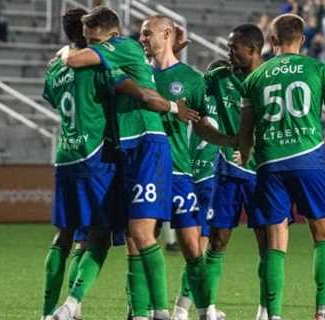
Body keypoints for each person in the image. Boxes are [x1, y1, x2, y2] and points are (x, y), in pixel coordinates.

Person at [58, 7, 199, 320]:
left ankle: (164, 311)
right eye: (86, 39)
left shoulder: (119, 47)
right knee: (117, 236)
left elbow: (75, 60)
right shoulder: (113, 61)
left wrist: (67, 50)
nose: (89, 44)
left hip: (148, 145)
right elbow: (139, 86)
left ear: (109, 35)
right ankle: (133, 311)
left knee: (143, 233)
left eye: (94, 40)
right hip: (122, 150)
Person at [238, 14, 325, 320]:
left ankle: (273, 315)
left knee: (275, 243)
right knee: (323, 236)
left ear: (272, 40)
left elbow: (245, 133)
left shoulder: (254, 78)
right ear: (301, 39)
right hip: (310, 159)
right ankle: (322, 311)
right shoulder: (318, 69)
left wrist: (246, 156)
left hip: (271, 163)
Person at [139, 15, 235, 320]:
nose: (142, 39)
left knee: (193, 249)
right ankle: (145, 311)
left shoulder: (192, 80)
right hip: (145, 170)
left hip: (181, 172)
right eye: (140, 35)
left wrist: (230, 140)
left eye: (146, 34)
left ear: (166, 33)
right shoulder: (137, 74)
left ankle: (204, 311)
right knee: (139, 241)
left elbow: (204, 125)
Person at [41, 8, 115, 320]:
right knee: (100, 235)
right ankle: (71, 304)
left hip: (65, 156)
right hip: (93, 154)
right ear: (89, 31)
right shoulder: (94, 63)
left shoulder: (55, 67)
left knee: (65, 234)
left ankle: (47, 312)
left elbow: (53, 98)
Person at [199, 24, 268, 320]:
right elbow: (192, 101)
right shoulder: (218, 77)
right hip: (226, 171)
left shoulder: (270, 79)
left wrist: (254, 148)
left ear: (252, 50)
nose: (228, 53)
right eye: (227, 47)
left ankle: (266, 309)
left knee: (267, 244)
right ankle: (208, 309)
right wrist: (230, 142)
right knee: (217, 241)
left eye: (233, 48)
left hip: (263, 173)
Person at [173, 60, 223, 320]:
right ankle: (183, 308)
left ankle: (147, 307)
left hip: (181, 171)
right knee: (199, 247)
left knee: (146, 239)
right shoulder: (227, 103)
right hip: (205, 179)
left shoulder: (191, 96)